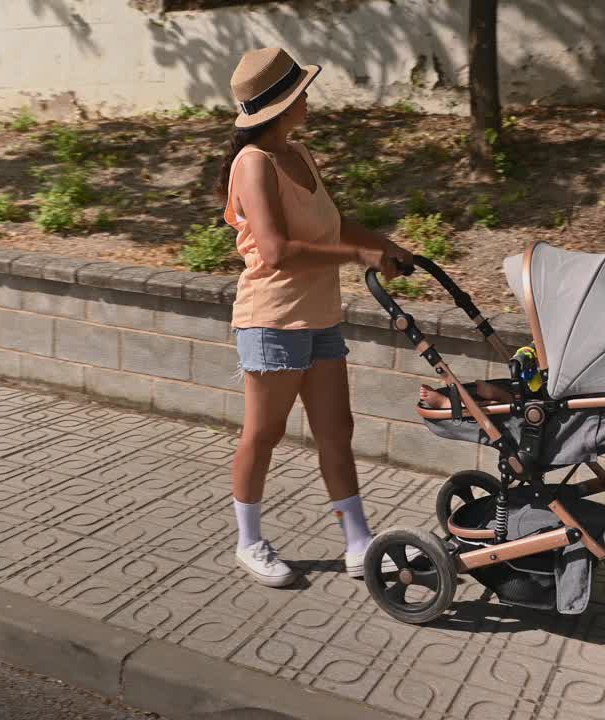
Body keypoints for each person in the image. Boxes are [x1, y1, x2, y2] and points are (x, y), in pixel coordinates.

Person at [215, 47, 414, 588]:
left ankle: (358, 542)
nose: (309, 99)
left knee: (335, 431)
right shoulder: (252, 163)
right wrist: (357, 257)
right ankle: (249, 541)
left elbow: (335, 222)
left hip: (320, 316)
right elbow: (276, 251)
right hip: (272, 318)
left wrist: (386, 246)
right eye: (301, 92)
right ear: (281, 103)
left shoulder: (299, 154)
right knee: (265, 433)